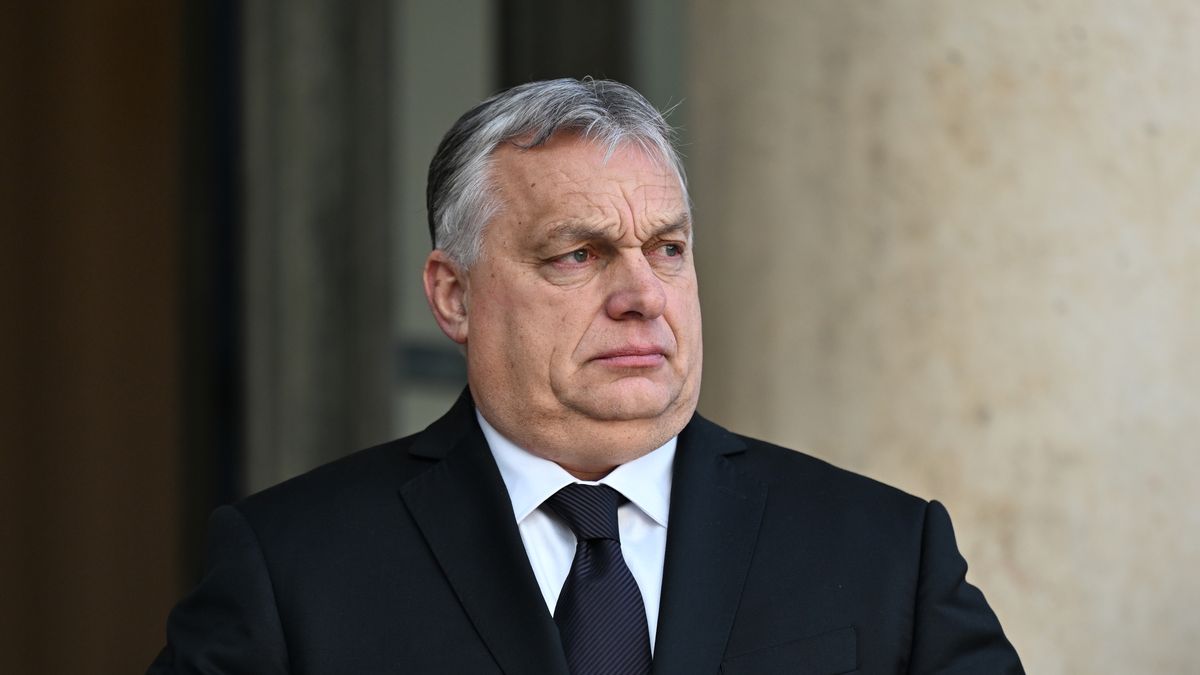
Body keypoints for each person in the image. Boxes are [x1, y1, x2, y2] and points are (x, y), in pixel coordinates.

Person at [149, 78, 1023, 674]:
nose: (643, 295)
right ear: (454, 296)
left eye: (668, 248)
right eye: (579, 254)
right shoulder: (293, 567)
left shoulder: (882, 550)